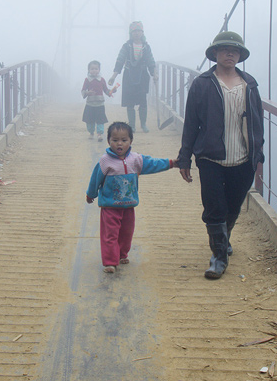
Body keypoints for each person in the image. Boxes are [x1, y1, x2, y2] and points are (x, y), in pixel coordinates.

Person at [176, 31, 265, 280]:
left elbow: (259, 120)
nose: (230, 53)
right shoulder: (202, 83)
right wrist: (185, 158)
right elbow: (191, 124)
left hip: (244, 158)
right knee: (214, 207)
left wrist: (258, 152)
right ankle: (218, 257)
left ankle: (223, 240)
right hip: (211, 158)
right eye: (225, 49)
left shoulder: (250, 84)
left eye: (234, 50)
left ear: (240, 55)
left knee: (233, 205)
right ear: (215, 53)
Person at [86, 122, 177, 273]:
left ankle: (122, 254)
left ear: (131, 141)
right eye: (115, 140)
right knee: (110, 235)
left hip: (128, 206)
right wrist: (91, 194)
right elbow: (95, 179)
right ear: (109, 141)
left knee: (126, 233)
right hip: (110, 206)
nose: (119, 143)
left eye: (124, 140)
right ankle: (110, 262)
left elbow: (153, 164)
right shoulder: (105, 161)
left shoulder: (136, 160)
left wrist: (171, 163)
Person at [108, 21, 156, 133]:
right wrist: (113, 76)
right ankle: (132, 126)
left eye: (139, 31)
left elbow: (151, 61)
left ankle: (143, 124)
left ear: (142, 32)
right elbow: (120, 60)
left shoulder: (146, 47)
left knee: (143, 100)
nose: (137, 33)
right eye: (134, 31)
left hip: (142, 76)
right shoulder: (126, 46)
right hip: (129, 75)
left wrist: (154, 73)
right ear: (131, 33)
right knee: (130, 102)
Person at [81, 60, 115, 141]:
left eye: (96, 69)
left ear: (99, 70)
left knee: (100, 120)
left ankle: (99, 134)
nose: (94, 70)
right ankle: (91, 132)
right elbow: (83, 91)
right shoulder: (87, 80)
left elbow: (106, 90)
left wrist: (111, 92)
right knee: (89, 120)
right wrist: (87, 93)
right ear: (88, 70)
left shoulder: (102, 80)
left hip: (100, 104)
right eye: (92, 69)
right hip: (90, 104)